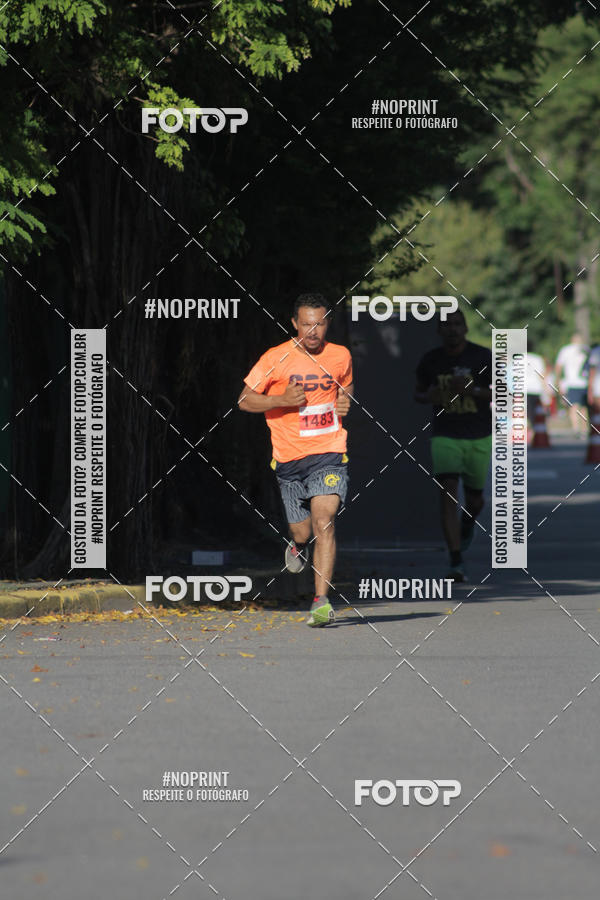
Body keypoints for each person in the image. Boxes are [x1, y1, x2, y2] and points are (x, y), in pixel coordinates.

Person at [238, 293, 353, 627]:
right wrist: (281, 399)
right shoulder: (276, 358)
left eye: (319, 324)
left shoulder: (340, 355)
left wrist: (345, 403)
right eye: (306, 325)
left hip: (329, 452)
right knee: (303, 532)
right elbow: (244, 400)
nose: (313, 331)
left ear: (327, 323)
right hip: (288, 459)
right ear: (294, 324)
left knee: (325, 521)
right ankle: (296, 546)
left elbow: (346, 387)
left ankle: (320, 602)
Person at [415, 309, 492, 581]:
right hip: (445, 435)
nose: (452, 329)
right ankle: (455, 559)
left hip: (479, 435)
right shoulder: (431, 361)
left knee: (475, 500)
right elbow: (419, 393)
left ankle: (469, 521)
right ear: (439, 330)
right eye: (446, 325)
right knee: (447, 492)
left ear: (466, 328)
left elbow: (504, 392)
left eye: (457, 324)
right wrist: (430, 396)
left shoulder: (483, 357)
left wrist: (473, 391)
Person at [555, 334, 588, 437]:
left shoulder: (565, 350)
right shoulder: (586, 350)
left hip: (572, 382)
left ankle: (576, 428)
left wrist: (558, 381)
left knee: (574, 406)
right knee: (584, 407)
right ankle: (584, 429)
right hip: (585, 383)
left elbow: (559, 366)